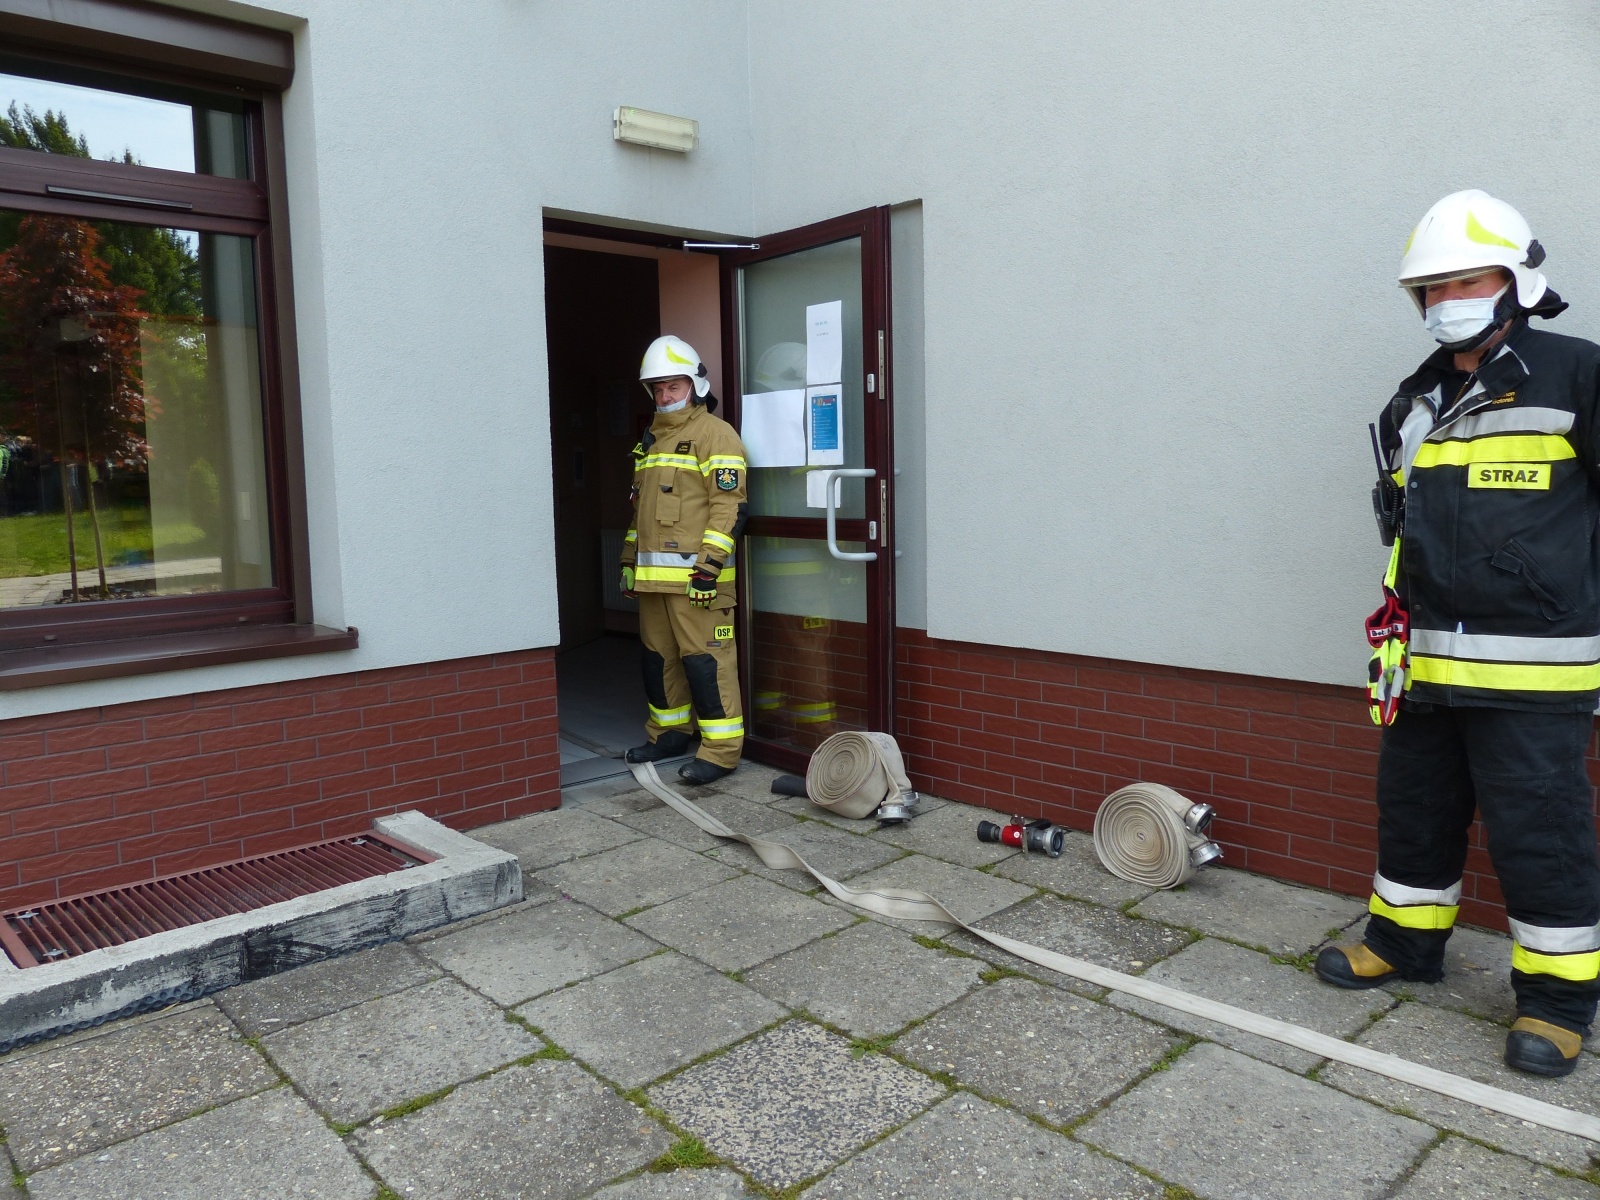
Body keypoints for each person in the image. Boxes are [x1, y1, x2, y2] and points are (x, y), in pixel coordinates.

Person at [1315, 190, 1600, 1077]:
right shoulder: (1414, 400)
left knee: (1538, 832)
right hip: (1421, 667)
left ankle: (1556, 1003)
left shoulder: (1576, 376)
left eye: (1465, 281)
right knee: (1414, 815)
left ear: (1516, 281)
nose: (1446, 302)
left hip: (1534, 673)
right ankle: (1403, 945)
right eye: (1429, 290)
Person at [619, 335, 748, 783]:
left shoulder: (716, 434)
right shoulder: (651, 441)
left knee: (706, 664)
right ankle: (668, 735)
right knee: (658, 662)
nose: (665, 396)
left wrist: (710, 566)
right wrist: (628, 560)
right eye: (657, 389)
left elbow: (729, 507)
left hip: (699, 582)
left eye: (673, 386)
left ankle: (721, 751)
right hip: (653, 584)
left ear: (694, 385)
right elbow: (639, 510)